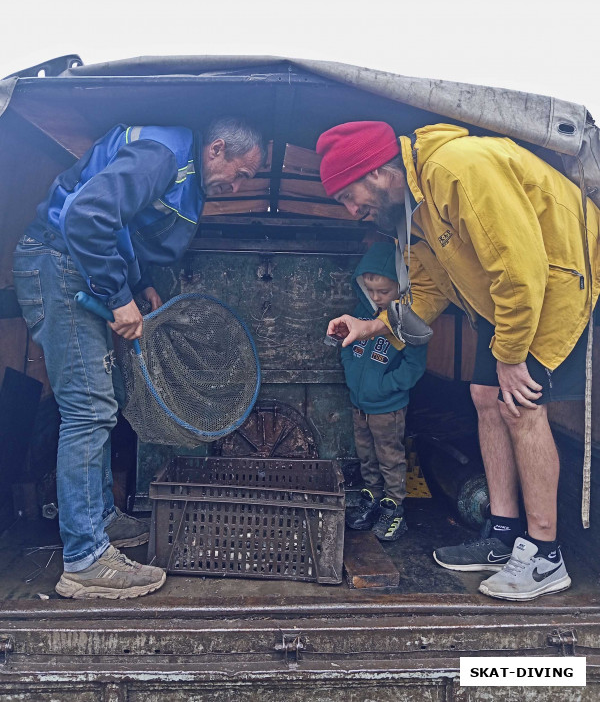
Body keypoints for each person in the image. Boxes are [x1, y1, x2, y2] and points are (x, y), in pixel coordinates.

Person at [318, 120, 600, 601]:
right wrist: (373, 326)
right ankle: (505, 536)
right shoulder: (409, 214)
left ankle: (546, 556)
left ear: (380, 172)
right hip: (508, 300)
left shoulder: (458, 169)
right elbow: (427, 292)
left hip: (558, 284)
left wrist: (510, 357)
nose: (351, 211)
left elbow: (520, 269)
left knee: (520, 405)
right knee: (483, 395)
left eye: (350, 195)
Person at [12, 117, 266, 600]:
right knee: (89, 409)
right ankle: (85, 561)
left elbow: (121, 224)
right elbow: (88, 216)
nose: (236, 186)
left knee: (99, 405)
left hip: (73, 266)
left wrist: (137, 281)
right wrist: (116, 296)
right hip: (59, 264)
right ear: (217, 148)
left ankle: (100, 519)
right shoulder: (164, 155)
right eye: (241, 174)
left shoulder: (177, 161)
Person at [341, 242, 427, 541]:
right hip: (360, 404)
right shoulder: (361, 314)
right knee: (366, 456)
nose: (376, 297)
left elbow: (414, 366)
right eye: (371, 291)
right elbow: (347, 346)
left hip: (387, 407)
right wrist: (353, 375)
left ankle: (394, 509)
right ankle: (372, 501)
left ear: (400, 287)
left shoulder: (408, 321)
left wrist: (386, 387)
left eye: (384, 292)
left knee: (390, 458)